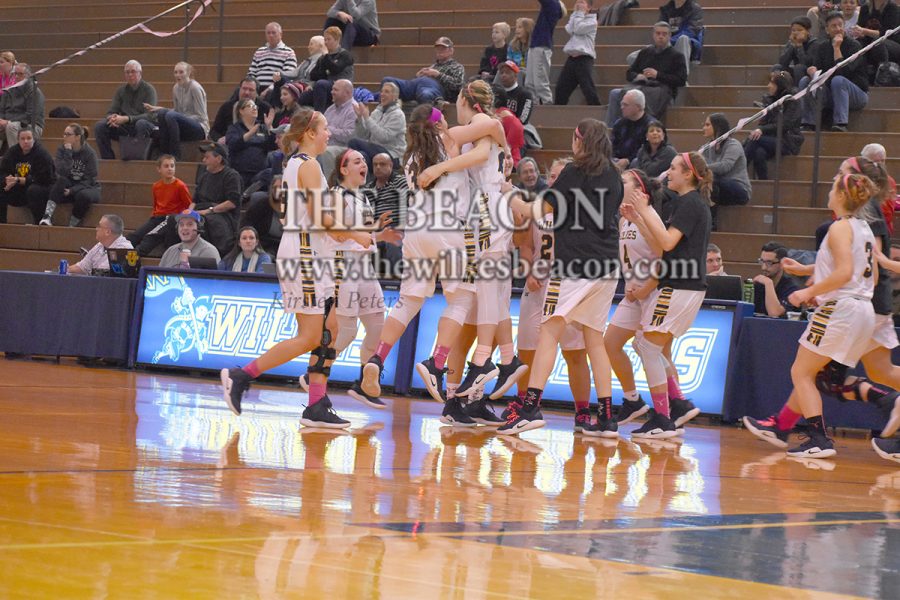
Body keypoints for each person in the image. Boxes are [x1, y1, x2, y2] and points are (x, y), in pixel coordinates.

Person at [221, 108, 375, 428]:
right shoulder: (308, 165)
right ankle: (241, 376)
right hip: (304, 251)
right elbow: (322, 219)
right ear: (309, 133)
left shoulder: (299, 165)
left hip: (313, 251)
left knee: (329, 329)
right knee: (309, 337)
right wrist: (357, 233)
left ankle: (317, 404)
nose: (329, 134)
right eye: (324, 129)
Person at [358, 104, 497, 418]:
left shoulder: (408, 158)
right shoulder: (451, 142)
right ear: (436, 123)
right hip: (449, 230)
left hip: (417, 231)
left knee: (408, 300)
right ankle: (436, 362)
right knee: (461, 298)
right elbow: (486, 136)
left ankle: (377, 359)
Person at [498, 118, 623, 436]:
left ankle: (530, 408)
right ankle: (607, 418)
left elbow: (534, 213)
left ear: (580, 141)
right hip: (607, 267)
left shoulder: (573, 172)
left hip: (574, 267)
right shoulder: (614, 175)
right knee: (594, 339)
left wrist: (507, 193)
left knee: (549, 333)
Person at [743, 174, 878, 458]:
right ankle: (782, 426)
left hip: (841, 309)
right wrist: (806, 271)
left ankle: (819, 438)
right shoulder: (864, 227)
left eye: (832, 187)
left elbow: (843, 272)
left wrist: (808, 292)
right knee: (819, 376)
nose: (828, 192)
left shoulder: (839, 228)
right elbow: (868, 274)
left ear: (841, 196)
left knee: (801, 371)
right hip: (863, 309)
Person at [299, 148, 401, 406]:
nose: (363, 164)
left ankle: (365, 383)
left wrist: (379, 235)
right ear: (344, 169)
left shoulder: (362, 198)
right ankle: (313, 372)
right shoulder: (335, 195)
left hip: (364, 266)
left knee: (379, 325)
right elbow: (335, 234)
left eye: (364, 160)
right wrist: (367, 234)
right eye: (357, 161)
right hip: (341, 265)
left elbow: (360, 236)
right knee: (345, 329)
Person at [623, 152, 712, 438]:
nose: (668, 172)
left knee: (647, 346)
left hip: (680, 285)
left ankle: (663, 416)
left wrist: (647, 210)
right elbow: (664, 248)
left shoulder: (690, 203)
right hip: (681, 285)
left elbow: (666, 241)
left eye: (674, 168)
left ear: (688, 174)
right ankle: (677, 403)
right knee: (645, 345)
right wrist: (639, 219)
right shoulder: (687, 203)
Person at [509, 156, 597, 433]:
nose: (557, 180)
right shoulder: (538, 204)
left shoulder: (582, 208)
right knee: (526, 350)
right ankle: (524, 405)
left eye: (563, 175)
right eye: (554, 175)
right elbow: (523, 244)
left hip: (570, 286)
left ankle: (583, 412)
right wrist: (528, 270)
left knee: (575, 354)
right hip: (538, 284)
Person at [605, 169, 670, 427]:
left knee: (651, 351)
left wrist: (644, 289)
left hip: (653, 292)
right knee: (610, 344)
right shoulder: (624, 219)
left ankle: (673, 406)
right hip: (633, 293)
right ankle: (633, 400)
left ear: (638, 189)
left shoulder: (650, 215)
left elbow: (663, 256)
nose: (618, 184)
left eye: (623, 182)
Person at [799, 12, 868, 132]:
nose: (838, 29)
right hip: (831, 92)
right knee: (805, 81)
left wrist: (837, 48)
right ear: (827, 30)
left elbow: (844, 73)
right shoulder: (822, 47)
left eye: (840, 25)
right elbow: (819, 72)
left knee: (838, 80)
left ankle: (840, 123)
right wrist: (812, 72)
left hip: (856, 94)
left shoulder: (855, 46)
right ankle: (808, 122)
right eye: (833, 26)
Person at [606, 22, 687, 125]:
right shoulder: (645, 52)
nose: (660, 37)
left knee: (641, 96)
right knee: (615, 93)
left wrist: (657, 75)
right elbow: (629, 73)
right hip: (640, 86)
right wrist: (637, 76)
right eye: (658, 33)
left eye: (664, 34)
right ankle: (613, 128)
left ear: (669, 36)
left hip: (662, 89)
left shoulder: (677, 56)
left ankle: (644, 126)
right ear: (653, 35)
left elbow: (681, 80)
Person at [127, 155, 194, 255]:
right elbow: (156, 205)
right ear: (159, 169)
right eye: (166, 166)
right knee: (135, 235)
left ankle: (134, 257)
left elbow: (189, 206)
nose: (170, 169)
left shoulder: (180, 186)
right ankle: (118, 252)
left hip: (171, 218)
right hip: (157, 217)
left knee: (150, 237)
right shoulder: (156, 186)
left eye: (172, 166)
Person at [743, 71, 804, 180]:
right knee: (759, 153)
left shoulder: (792, 100)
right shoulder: (770, 99)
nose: (768, 86)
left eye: (772, 83)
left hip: (787, 141)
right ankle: (764, 183)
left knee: (755, 139)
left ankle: (739, 170)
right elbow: (764, 122)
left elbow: (785, 124)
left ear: (780, 86)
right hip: (771, 139)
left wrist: (761, 130)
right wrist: (760, 129)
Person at [143, 62, 209, 160]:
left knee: (170, 116)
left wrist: (180, 118)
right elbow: (178, 111)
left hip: (199, 127)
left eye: (181, 72)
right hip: (182, 124)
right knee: (162, 114)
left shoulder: (195, 88)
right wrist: (161, 109)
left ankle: (175, 155)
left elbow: (201, 116)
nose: (178, 75)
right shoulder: (176, 88)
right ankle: (164, 153)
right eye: (176, 72)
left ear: (188, 73)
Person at [93, 60, 158, 160]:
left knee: (141, 124)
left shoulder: (149, 90)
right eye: (127, 72)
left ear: (140, 73)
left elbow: (150, 115)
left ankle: (139, 159)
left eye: (133, 71)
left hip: (143, 126)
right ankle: (108, 159)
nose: (130, 75)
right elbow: (111, 111)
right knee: (100, 126)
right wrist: (112, 118)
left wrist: (127, 118)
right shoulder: (121, 90)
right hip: (124, 127)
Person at [40, 123, 101, 227]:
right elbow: (61, 172)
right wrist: (68, 152)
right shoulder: (62, 149)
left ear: (77, 137)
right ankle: (47, 217)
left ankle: (72, 225)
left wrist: (72, 191)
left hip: (87, 187)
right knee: (60, 181)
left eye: (68, 134)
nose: (64, 137)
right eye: (64, 134)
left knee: (84, 196)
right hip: (68, 184)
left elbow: (89, 179)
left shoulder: (90, 153)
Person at [193, 142, 244, 255]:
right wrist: (188, 212)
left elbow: (232, 203)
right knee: (175, 219)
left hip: (223, 215)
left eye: (207, 157)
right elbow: (194, 200)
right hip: (202, 210)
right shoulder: (204, 176)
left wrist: (208, 211)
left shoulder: (231, 176)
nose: (204, 161)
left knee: (202, 221)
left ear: (219, 158)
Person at [361, 152, 407, 276]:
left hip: (399, 227)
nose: (378, 167)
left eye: (382, 164)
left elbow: (411, 207)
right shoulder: (366, 188)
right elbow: (366, 217)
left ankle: (398, 281)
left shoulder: (401, 182)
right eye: (375, 165)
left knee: (393, 241)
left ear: (391, 165)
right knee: (360, 244)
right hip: (376, 229)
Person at [382, 37, 465, 104]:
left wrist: (438, 75)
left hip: (437, 91)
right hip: (418, 86)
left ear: (451, 50)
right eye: (438, 48)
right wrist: (418, 76)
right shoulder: (433, 66)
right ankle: (388, 112)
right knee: (388, 81)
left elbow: (458, 85)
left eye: (443, 48)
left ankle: (435, 108)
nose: (440, 51)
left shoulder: (457, 67)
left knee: (425, 94)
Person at [0, 128, 54, 224]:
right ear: (18, 140)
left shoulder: (42, 154)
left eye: (29, 138)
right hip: (18, 189)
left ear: (34, 139)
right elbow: (3, 171)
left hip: (40, 188)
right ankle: (2, 224)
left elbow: (45, 178)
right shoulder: (12, 152)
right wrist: (7, 180)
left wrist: (21, 180)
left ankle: (39, 222)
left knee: (33, 190)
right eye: (23, 138)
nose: (26, 141)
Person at [349, 81, 406, 170]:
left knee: (353, 142)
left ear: (395, 96)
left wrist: (367, 118)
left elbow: (384, 137)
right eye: (382, 91)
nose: (382, 94)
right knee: (362, 157)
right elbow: (363, 135)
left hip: (392, 154)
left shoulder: (398, 115)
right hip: (375, 151)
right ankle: (361, 183)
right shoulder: (377, 112)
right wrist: (360, 118)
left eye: (387, 92)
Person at [555, 0, 600, 106]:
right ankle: (558, 112)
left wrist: (579, 13)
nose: (578, 4)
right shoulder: (576, 18)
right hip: (572, 59)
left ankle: (596, 109)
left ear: (588, 7)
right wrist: (576, 13)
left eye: (582, 2)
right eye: (577, 1)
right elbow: (569, 29)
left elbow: (579, 29)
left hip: (584, 59)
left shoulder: (592, 21)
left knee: (588, 88)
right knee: (561, 88)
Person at [701, 113, 752, 208]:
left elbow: (725, 166)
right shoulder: (706, 148)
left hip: (739, 189)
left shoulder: (733, 145)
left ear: (717, 127)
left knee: (711, 181)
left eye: (707, 125)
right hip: (720, 189)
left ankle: (711, 220)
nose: (704, 128)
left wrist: (702, 167)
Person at [300, 27, 355, 112]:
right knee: (304, 96)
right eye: (325, 40)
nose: (326, 42)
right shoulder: (323, 58)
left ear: (337, 40)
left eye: (329, 39)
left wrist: (326, 58)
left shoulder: (345, 55)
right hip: (326, 85)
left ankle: (320, 115)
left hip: (341, 86)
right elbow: (314, 75)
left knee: (321, 84)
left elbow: (335, 69)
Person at [226, 98, 277, 188]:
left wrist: (270, 127)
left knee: (270, 173)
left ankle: (249, 193)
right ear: (241, 111)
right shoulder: (234, 128)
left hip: (259, 172)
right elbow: (233, 145)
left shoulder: (262, 127)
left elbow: (272, 146)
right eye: (250, 106)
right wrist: (250, 134)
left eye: (255, 106)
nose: (254, 108)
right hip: (241, 173)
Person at [527, 0, 566, 105]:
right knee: (530, 83)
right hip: (536, 46)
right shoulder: (550, 10)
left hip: (541, 46)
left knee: (540, 82)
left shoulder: (553, 6)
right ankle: (534, 105)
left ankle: (547, 105)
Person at [209, 77, 271, 143]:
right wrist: (219, 139)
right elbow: (214, 131)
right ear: (239, 89)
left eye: (251, 90)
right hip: (229, 144)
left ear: (256, 93)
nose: (247, 92)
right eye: (244, 89)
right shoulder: (227, 107)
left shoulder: (265, 108)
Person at [68, 214, 133, 275]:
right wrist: (64, 270)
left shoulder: (124, 249)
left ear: (107, 232)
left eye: (99, 226)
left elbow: (103, 273)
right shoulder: (100, 245)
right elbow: (82, 267)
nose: (96, 228)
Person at [0, 63, 45, 148]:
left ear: (28, 76)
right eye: (15, 74)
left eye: (20, 74)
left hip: (31, 125)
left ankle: (16, 158)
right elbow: (1, 110)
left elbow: (31, 116)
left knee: (11, 127)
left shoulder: (34, 91)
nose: (16, 77)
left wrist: (8, 122)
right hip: (10, 123)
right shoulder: (8, 91)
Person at [752, 242, 800, 317]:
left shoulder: (792, 289)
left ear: (782, 264)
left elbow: (774, 313)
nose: (763, 267)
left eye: (769, 263)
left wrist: (768, 284)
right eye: (762, 261)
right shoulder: (759, 285)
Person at [246, 23, 297, 91]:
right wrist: (252, 88)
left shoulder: (288, 52)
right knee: (240, 91)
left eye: (273, 33)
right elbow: (251, 73)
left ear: (280, 34)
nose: (271, 35)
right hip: (256, 88)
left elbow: (288, 76)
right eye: (268, 33)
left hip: (275, 89)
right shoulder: (259, 51)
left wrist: (269, 89)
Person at [659, 0, 705, 76]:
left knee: (683, 39)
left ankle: (682, 77)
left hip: (689, 45)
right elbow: (660, 28)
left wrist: (670, 41)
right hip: (667, 44)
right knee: (633, 56)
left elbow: (691, 31)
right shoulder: (666, 9)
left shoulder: (695, 9)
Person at [612, 89, 652, 170]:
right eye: (621, 104)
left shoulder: (651, 126)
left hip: (638, 165)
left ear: (638, 107)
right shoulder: (619, 124)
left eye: (625, 105)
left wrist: (628, 160)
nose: (621, 107)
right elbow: (612, 145)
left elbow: (648, 151)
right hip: (616, 162)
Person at [855, 0, 900, 65]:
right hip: (869, 41)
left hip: (891, 43)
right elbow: (861, 27)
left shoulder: (892, 8)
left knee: (878, 43)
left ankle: (883, 70)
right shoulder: (865, 8)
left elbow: (888, 34)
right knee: (856, 44)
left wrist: (864, 31)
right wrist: (859, 33)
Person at [777, 16, 819, 86]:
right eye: (793, 30)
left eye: (799, 30)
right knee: (777, 68)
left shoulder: (814, 43)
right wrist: (792, 45)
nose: (796, 33)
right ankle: (779, 92)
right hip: (794, 73)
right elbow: (783, 63)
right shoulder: (792, 43)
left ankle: (798, 92)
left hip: (808, 74)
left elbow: (807, 63)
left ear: (808, 31)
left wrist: (800, 46)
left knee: (799, 67)